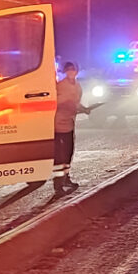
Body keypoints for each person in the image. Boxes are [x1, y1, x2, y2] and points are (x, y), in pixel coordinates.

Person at [54, 62, 90, 196]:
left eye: (73, 70)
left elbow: (75, 102)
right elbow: (56, 102)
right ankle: (58, 185)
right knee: (59, 156)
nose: (71, 72)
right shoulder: (60, 86)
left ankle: (66, 178)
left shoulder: (77, 85)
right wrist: (67, 104)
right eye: (68, 70)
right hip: (58, 124)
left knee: (68, 153)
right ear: (65, 71)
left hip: (69, 123)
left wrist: (84, 109)